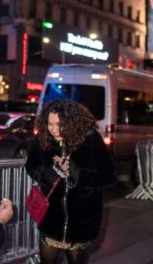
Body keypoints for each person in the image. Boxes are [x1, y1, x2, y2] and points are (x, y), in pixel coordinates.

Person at [25, 100, 115, 264]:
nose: (54, 129)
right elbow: (31, 166)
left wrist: (77, 173)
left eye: (59, 124)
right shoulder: (43, 138)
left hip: (81, 221)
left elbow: (108, 176)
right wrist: (51, 173)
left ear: (71, 122)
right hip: (51, 219)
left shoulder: (90, 139)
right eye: (50, 124)